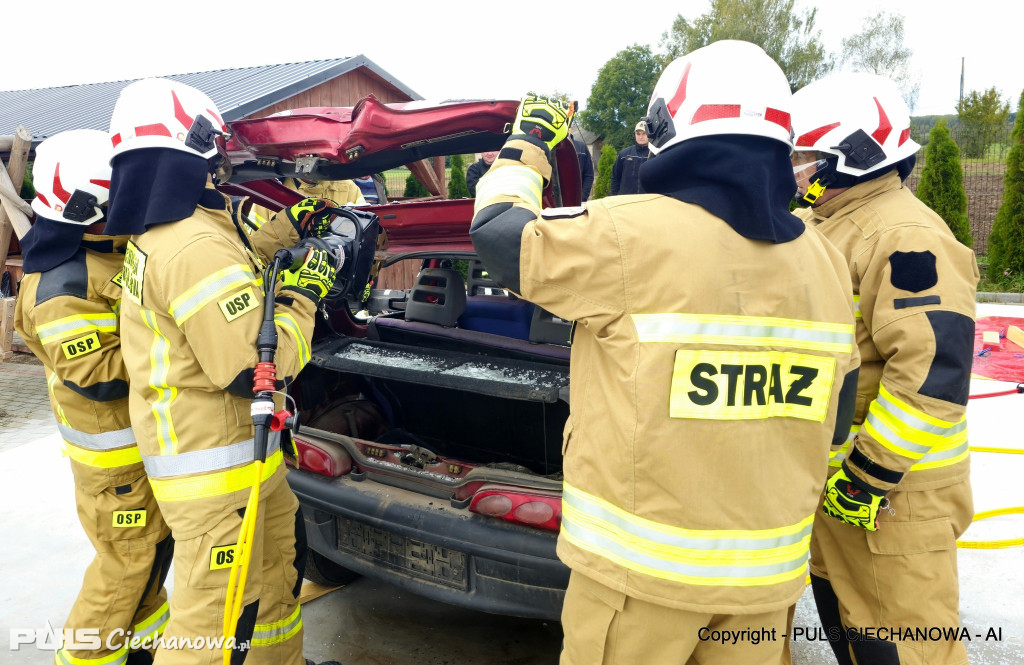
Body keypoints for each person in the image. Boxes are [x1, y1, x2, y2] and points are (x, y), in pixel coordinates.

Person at [470, 40, 860, 665]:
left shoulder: (628, 234)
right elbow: (835, 420)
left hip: (639, 589)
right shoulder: (826, 263)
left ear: (671, 127)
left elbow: (496, 234)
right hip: (764, 590)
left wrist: (526, 147)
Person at [105, 78, 341, 665]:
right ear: (194, 148)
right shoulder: (190, 248)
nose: (223, 164)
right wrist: (304, 297)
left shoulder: (176, 231)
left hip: (240, 461)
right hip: (214, 474)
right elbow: (249, 366)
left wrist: (292, 227)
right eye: (216, 150)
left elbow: (235, 262)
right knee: (212, 623)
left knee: (272, 588)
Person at [790, 72, 978, 665]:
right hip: (843, 496)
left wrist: (868, 475)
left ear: (850, 155)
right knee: (854, 640)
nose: (796, 170)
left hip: (891, 501)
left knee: (907, 651)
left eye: (805, 157)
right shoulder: (835, 225)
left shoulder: (902, 234)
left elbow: (933, 372)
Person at [14, 129, 173, 665]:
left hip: (135, 453)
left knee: (150, 558)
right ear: (84, 206)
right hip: (114, 467)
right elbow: (100, 374)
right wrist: (179, 344)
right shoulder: (62, 288)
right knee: (125, 564)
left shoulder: (98, 251)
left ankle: (141, 650)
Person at [609, 120, 649, 195]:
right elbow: (615, 177)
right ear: (635, 135)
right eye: (638, 134)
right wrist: (614, 196)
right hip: (625, 200)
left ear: (649, 134)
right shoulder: (624, 155)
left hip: (648, 201)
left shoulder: (656, 155)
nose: (641, 137)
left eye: (644, 133)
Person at [571, 134, 594, 200]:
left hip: (577, 200)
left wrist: (582, 197)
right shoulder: (550, 147)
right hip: (553, 202)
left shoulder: (581, 147)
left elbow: (589, 175)